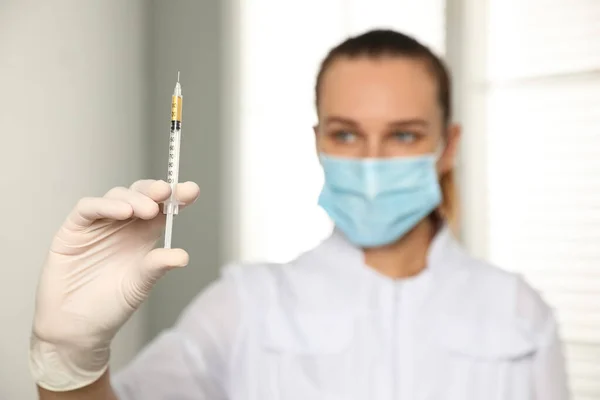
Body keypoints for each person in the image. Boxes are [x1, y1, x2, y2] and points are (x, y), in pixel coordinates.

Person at [30, 29, 570, 400]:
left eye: (404, 134)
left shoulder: (519, 314)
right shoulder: (245, 305)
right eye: (346, 134)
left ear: (448, 146)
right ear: (319, 142)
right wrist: (69, 363)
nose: (373, 162)